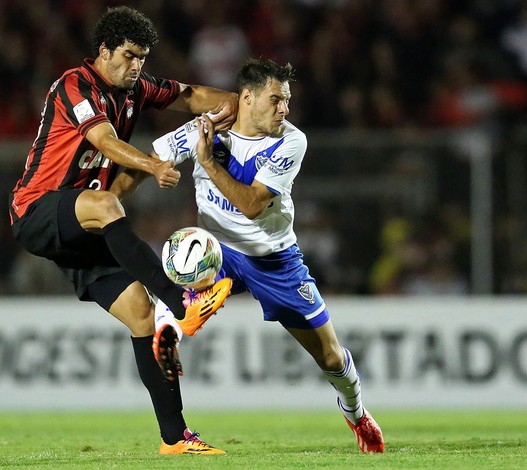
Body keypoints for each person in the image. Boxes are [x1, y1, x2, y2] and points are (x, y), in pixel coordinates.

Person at [8, 6, 235, 455]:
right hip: (36, 211)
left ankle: (175, 439)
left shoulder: (135, 88)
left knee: (139, 313)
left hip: (86, 225)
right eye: (129, 56)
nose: (136, 67)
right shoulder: (73, 84)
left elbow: (189, 95)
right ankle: (182, 300)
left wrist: (241, 104)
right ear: (104, 51)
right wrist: (153, 164)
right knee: (106, 200)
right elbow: (105, 142)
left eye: (143, 59)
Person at [151, 58, 385, 453]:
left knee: (329, 356)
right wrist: (114, 189)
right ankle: (171, 322)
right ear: (247, 98)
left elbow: (254, 205)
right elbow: (151, 159)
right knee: (181, 249)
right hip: (218, 250)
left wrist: (207, 161)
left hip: (272, 260)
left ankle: (357, 412)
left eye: (287, 101)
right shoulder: (203, 127)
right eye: (276, 100)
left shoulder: (291, 141)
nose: (285, 109)